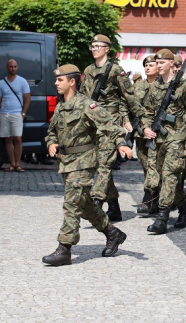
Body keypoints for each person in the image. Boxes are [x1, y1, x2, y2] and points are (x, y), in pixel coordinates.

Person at [42, 64, 131, 266]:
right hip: (66, 163)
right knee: (85, 204)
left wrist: (121, 144)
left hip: (83, 163)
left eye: (60, 80)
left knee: (71, 204)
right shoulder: (61, 105)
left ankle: (64, 248)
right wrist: (51, 143)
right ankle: (113, 233)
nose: (56, 83)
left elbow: (109, 124)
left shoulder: (86, 105)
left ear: (71, 81)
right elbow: (51, 132)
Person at [79, 34, 146, 221]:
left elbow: (130, 96)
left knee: (104, 165)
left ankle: (96, 202)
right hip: (93, 125)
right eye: (92, 46)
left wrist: (142, 119)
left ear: (107, 49)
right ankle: (114, 207)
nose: (94, 49)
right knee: (98, 164)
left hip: (110, 124)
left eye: (98, 46)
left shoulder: (116, 70)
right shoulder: (89, 70)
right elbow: (83, 98)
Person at [141, 49, 186, 234]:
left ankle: (162, 218)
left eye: (162, 63)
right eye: (157, 63)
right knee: (168, 179)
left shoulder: (184, 87)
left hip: (178, 138)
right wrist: (145, 127)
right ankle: (184, 212)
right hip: (159, 138)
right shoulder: (154, 86)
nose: (158, 66)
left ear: (171, 63)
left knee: (169, 175)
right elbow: (147, 112)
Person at [0, 59, 30, 172]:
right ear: (7, 67)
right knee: (8, 139)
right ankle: (12, 163)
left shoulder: (22, 81)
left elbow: (27, 99)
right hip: (4, 114)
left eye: (15, 66)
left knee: (18, 138)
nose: (13, 68)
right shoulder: (1, 83)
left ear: (17, 67)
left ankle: (18, 164)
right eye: (11, 66)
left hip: (17, 113)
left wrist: (23, 113)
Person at [134, 55, 159, 214]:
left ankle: (148, 198)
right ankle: (155, 196)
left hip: (155, 133)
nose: (148, 67)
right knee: (146, 166)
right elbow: (131, 106)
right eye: (146, 65)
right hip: (140, 133)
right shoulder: (137, 86)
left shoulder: (162, 86)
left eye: (152, 64)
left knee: (153, 166)